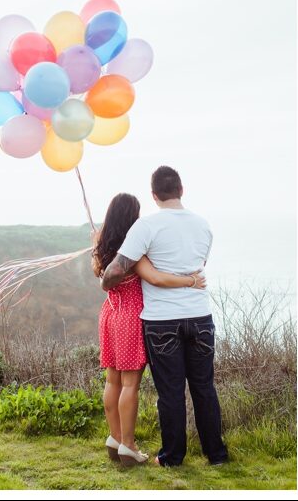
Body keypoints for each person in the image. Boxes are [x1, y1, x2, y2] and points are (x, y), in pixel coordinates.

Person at [101, 166, 229, 467]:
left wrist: (105, 284)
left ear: (154, 195)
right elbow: (199, 264)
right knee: (204, 387)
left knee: (170, 391)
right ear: (181, 189)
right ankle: (217, 454)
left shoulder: (146, 226)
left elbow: (116, 270)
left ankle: (172, 457)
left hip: (162, 321)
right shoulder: (203, 225)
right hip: (200, 315)